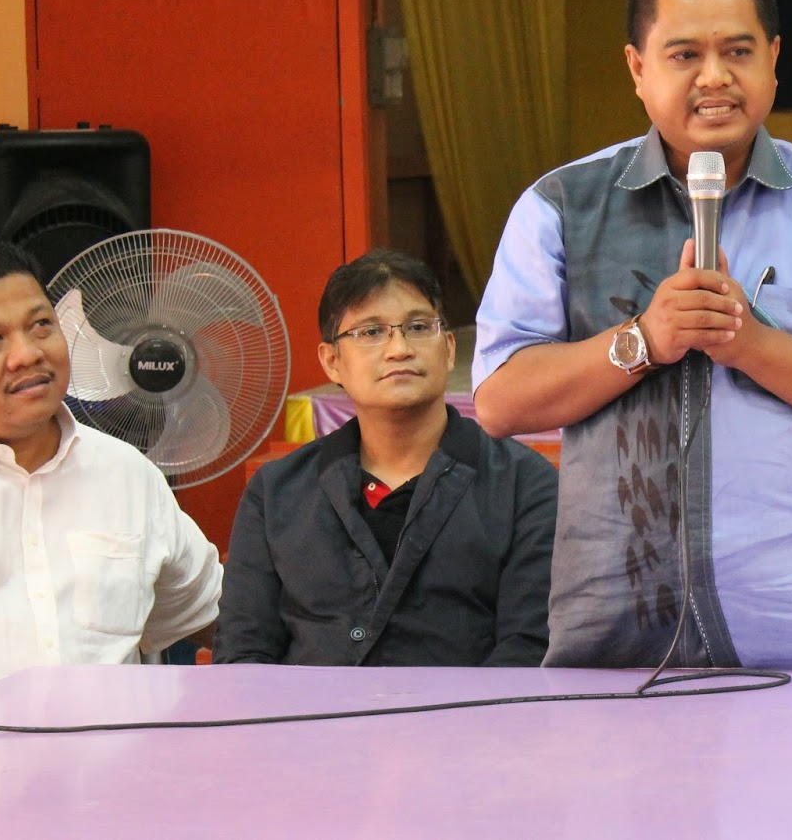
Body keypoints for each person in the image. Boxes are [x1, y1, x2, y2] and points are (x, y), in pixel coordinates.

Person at [474, 0, 792, 670]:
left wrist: (751, 345)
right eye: (685, 54)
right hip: (616, 634)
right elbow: (501, 402)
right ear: (637, 68)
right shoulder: (560, 207)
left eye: (739, 52)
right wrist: (644, 340)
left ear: (774, 60)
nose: (715, 77)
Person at [0, 243, 221, 721]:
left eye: (41, 326)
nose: (28, 354)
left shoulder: (125, 472)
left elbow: (209, 613)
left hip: (118, 760)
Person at [215, 249, 557, 667]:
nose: (399, 349)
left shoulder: (526, 485)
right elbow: (243, 652)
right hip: (310, 711)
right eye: (371, 332)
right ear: (332, 362)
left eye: (418, 327)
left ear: (449, 349)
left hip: (472, 711)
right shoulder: (276, 492)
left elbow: (528, 648)